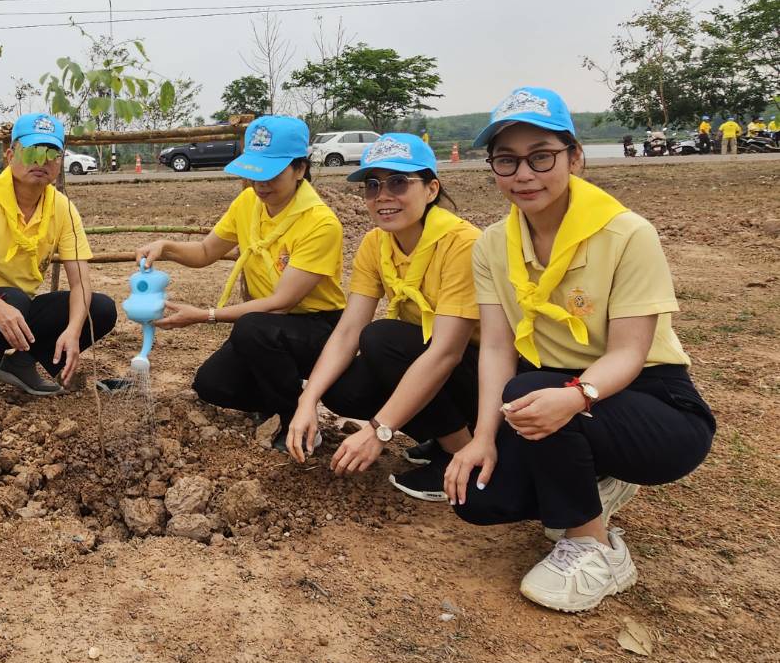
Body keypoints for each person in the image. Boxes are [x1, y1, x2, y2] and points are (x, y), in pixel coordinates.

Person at [444, 87, 714, 612]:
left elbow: (631, 353)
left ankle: (595, 547)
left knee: (532, 390)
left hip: (651, 398)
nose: (524, 174)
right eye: (506, 160)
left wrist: (576, 396)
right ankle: (594, 473)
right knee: (480, 498)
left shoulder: (627, 233)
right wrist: (482, 438)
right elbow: (496, 347)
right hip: (555, 392)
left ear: (575, 157)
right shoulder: (492, 245)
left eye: (541, 156)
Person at [284, 134, 481, 500]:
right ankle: (442, 438)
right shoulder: (376, 244)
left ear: (432, 188)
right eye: (372, 185)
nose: (383, 196)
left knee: (383, 339)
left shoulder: (461, 243)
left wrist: (379, 430)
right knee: (344, 389)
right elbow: (347, 331)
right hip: (434, 358)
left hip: (484, 374)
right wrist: (307, 400)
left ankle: (461, 456)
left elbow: (448, 352)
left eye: (398, 182)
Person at [137, 115, 345, 430]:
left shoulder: (320, 223)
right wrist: (165, 247)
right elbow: (207, 252)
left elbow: (281, 304)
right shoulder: (248, 202)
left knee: (252, 328)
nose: (261, 184)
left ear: (300, 169)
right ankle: (280, 399)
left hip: (317, 328)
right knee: (211, 384)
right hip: (266, 325)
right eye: (255, 172)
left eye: (271, 173)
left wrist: (205, 314)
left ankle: (296, 420)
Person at [0, 112, 117, 405]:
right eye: (32, 150)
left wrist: (74, 332)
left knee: (100, 308)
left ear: (60, 161)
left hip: (19, 306)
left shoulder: (62, 207)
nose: (42, 160)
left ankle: (21, 364)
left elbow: (81, 282)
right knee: (13, 301)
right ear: (10, 154)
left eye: (52, 152)